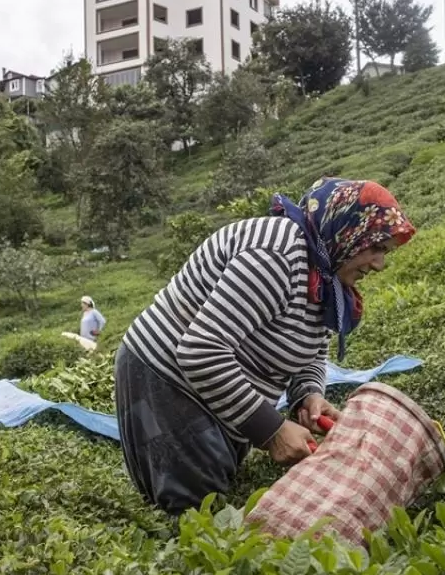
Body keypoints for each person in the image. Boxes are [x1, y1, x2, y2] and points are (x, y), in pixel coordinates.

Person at [115, 177, 417, 514]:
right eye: (375, 248)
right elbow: (201, 350)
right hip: (167, 377)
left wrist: (308, 396)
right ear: (348, 230)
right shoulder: (277, 256)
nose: (379, 265)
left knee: (215, 489)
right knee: (194, 510)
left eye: (384, 253)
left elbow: (312, 350)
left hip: (214, 385)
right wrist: (271, 430)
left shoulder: (325, 274)